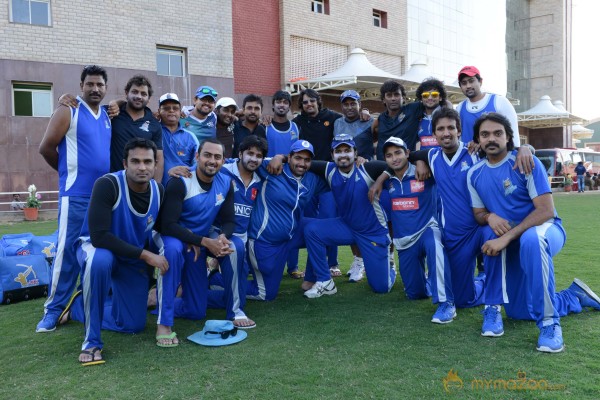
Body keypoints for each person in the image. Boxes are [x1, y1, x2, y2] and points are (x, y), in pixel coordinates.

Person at [467, 112, 600, 352]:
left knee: (532, 238)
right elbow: (478, 214)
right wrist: (490, 216)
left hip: (545, 230)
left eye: (498, 133)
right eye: (485, 134)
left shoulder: (525, 161)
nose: (491, 139)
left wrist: (506, 236)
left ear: (508, 137)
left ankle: (550, 324)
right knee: (521, 312)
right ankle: (573, 297)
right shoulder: (474, 174)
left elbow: (546, 211)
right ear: (478, 139)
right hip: (514, 242)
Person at [63, 138, 166, 365]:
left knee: (133, 325)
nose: (142, 167)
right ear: (125, 163)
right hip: (97, 247)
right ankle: (92, 342)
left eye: (148, 161)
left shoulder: (159, 190)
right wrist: (148, 256)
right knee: (100, 260)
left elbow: (161, 229)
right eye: (135, 161)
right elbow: (99, 236)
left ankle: (79, 306)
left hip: (131, 258)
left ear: (156, 164)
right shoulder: (107, 184)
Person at [36, 65, 112, 333]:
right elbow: (45, 147)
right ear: (81, 86)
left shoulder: (107, 114)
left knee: (96, 251)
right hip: (75, 196)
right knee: (66, 253)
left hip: (103, 198)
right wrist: (67, 172)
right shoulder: (68, 110)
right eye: (90, 84)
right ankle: (52, 310)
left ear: (105, 88)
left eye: (100, 85)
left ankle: (81, 301)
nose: (95, 89)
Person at [157, 137, 252, 341]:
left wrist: (223, 237)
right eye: (207, 155)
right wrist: (203, 241)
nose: (212, 160)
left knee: (196, 311)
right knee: (173, 249)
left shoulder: (226, 182)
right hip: (177, 240)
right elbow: (168, 225)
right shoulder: (180, 180)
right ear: (197, 156)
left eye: (217, 157)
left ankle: (235, 309)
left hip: (198, 243)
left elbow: (229, 220)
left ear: (223, 160)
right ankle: (159, 306)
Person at [301, 134, 395, 298]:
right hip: (347, 227)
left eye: (347, 150)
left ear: (355, 153)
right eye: (338, 151)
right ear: (332, 155)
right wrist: (280, 158)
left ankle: (390, 267)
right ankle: (325, 281)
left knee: (381, 287)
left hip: (372, 232)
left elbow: (396, 165)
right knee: (312, 230)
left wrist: (380, 180)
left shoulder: (368, 168)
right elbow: (301, 162)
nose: (343, 155)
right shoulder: (329, 169)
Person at [376, 136, 455, 323]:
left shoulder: (425, 171)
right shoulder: (387, 179)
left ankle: (447, 304)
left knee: (435, 244)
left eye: (398, 153)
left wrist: (421, 160)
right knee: (415, 294)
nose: (394, 158)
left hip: (428, 228)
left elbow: (440, 154)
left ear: (407, 154)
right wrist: (381, 179)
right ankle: (429, 282)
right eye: (389, 155)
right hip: (404, 241)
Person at [246, 140, 329, 301]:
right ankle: (212, 285)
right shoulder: (271, 168)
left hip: (290, 237)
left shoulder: (312, 180)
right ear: (289, 157)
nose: (302, 163)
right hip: (264, 241)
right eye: (298, 158)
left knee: (320, 230)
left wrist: (362, 163)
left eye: (307, 160)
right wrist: (277, 158)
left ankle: (313, 279)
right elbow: (237, 163)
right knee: (265, 293)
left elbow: (338, 173)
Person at [292, 88, 341, 277]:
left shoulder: (332, 117)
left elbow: (352, 122)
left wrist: (365, 113)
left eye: (312, 101)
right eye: (305, 102)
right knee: (307, 222)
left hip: (327, 178)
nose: (309, 104)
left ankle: (333, 263)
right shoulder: (297, 123)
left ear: (318, 102)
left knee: (329, 219)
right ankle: (305, 266)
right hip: (307, 178)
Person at [109, 75, 163, 181]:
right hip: (113, 181)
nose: (139, 96)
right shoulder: (112, 113)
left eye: (143, 94)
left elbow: (159, 158)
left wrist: (156, 187)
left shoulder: (154, 124)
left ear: (149, 99)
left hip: (140, 183)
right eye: (134, 92)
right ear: (126, 93)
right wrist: (65, 97)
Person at [455, 66, 520, 146]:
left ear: (480, 81)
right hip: (469, 157)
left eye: (471, 81)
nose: (468, 86)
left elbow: (513, 135)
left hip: (496, 157)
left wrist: (516, 152)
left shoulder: (499, 102)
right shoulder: (460, 108)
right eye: (464, 83)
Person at [371, 79, 424, 160]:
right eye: (389, 95)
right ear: (383, 99)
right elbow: (369, 137)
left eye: (396, 95)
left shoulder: (413, 110)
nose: (393, 98)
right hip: (382, 166)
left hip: (405, 167)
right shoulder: (380, 119)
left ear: (403, 98)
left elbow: (442, 103)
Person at [157, 93, 198, 183]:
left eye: (175, 108)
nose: (171, 111)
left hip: (185, 187)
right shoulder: (154, 132)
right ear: (159, 111)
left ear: (180, 112)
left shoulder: (191, 136)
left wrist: (188, 170)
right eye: (166, 108)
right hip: (158, 187)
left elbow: (198, 163)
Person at [415, 78, 448, 150]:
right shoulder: (417, 118)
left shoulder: (448, 117)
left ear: (440, 97)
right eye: (425, 95)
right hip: (423, 159)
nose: (430, 98)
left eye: (434, 94)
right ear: (421, 99)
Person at [264, 90, 299, 157]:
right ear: (273, 105)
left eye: (285, 103)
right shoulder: (265, 127)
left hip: (290, 167)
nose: (282, 105)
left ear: (289, 107)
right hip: (269, 167)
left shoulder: (296, 127)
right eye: (278, 102)